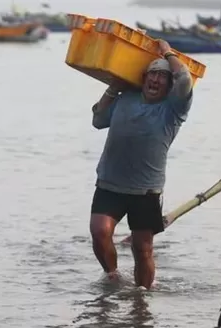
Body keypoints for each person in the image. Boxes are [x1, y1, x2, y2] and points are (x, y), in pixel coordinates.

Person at [89, 39, 194, 289]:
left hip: (145, 190)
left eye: (162, 77)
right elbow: (97, 119)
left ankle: (143, 297)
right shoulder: (126, 98)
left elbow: (186, 80)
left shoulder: (173, 110)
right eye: (152, 75)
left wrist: (167, 52)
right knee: (100, 232)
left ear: (169, 86)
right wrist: (113, 88)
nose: (155, 81)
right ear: (144, 77)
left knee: (142, 248)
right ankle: (113, 276)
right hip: (110, 183)